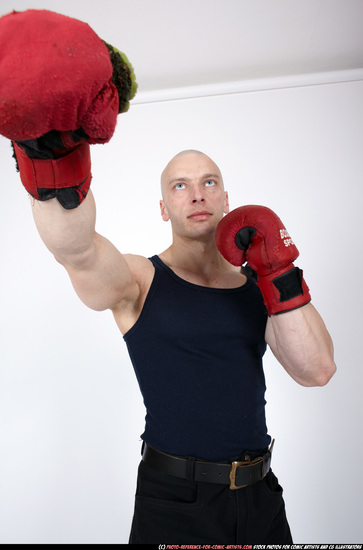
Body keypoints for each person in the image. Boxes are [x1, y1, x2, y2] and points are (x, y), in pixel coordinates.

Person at [1, 9, 336, 545]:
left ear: (226, 196)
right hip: (173, 502)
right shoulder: (140, 281)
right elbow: (79, 251)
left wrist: (279, 271)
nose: (197, 193)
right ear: (164, 207)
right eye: (180, 186)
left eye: (208, 181)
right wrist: (54, 152)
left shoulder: (258, 286)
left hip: (260, 497)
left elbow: (317, 370)